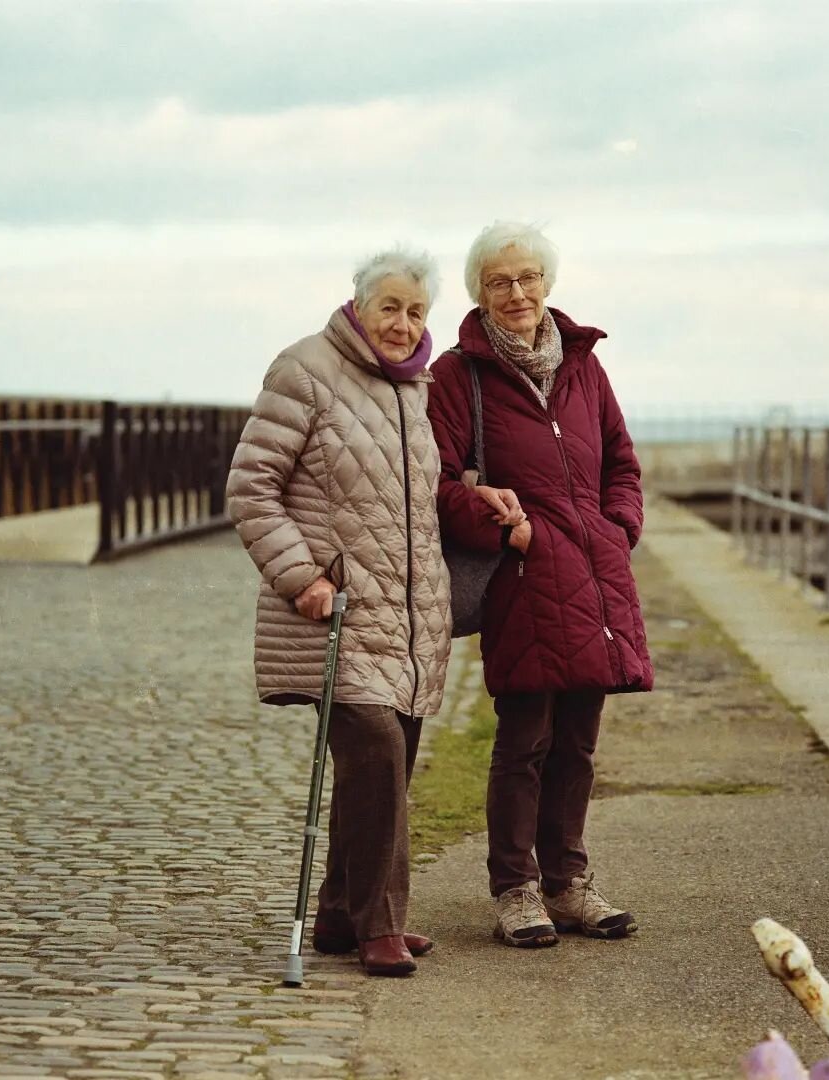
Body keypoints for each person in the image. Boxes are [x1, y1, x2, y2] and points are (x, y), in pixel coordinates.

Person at [427, 222, 653, 949]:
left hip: (593, 573)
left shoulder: (585, 365)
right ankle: (515, 890)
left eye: (527, 278)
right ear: (480, 293)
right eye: (500, 282)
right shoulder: (460, 375)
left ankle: (568, 885)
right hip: (522, 575)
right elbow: (433, 483)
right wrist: (506, 530)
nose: (517, 293)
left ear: (547, 283)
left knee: (579, 741)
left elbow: (621, 461)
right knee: (524, 738)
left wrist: (617, 528)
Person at [226, 249, 452, 977]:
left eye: (416, 311)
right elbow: (250, 485)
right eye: (390, 306)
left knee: (385, 767)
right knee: (377, 754)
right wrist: (300, 577)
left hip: (408, 620)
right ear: (357, 304)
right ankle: (380, 925)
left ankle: (336, 912)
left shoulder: (416, 387)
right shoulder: (305, 369)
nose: (403, 323)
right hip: (337, 613)